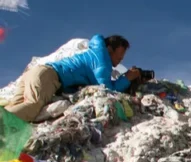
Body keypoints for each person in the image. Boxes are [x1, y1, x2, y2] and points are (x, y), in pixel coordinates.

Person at [6, 35, 139, 122]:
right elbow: (107, 89)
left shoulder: (95, 53)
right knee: (33, 105)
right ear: (109, 49)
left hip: (36, 72)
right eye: (119, 56)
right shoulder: (102, 62)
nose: (119, 61)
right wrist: (127, 78)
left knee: (15, 108)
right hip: (49, 76)